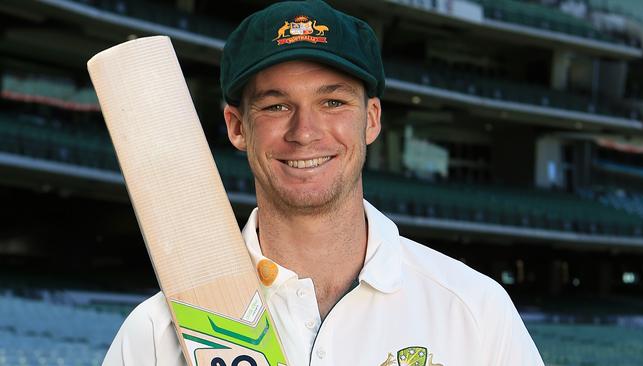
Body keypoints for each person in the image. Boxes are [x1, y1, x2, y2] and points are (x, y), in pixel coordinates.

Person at [103, 1, 545, 365]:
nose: (305, 131)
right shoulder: (155, 335)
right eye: (276, 107)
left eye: (332, 102)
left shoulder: (473, 310)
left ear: (370, 120)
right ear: (237, 127)